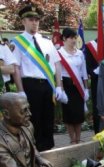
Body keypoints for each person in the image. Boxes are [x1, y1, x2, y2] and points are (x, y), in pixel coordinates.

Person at [12, 4, 66, 151]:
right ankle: (33, 153)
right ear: (23, 21)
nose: (34, 22)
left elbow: (57, 64)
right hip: (30, 85)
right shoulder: (17, 42)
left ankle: (49, 151)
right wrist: (20, 90)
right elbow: (16, 68)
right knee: (32, 120)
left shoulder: (46, 41)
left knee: (48, 119)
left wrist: (59, 85)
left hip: (47, 85)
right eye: (31, 19)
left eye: (37, 19)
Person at [59, 28, 89, 144]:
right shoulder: (59, 53)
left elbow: (84, 72)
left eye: (75, 37)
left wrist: (86, 89)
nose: (73, 40)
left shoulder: (80, 53)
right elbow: (58, 73)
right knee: (69, 114)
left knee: (78, 114)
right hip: (66, 86)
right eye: (71, 38)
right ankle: (72, 140)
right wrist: (60, 89)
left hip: (78, 87)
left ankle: (78, 138)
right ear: (64, 39)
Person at [85, 39, 100, 134]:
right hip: (97, 81)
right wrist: (96, 71)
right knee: (97, 107)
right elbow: (87, 67)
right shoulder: (90, 46)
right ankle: (98, 132)